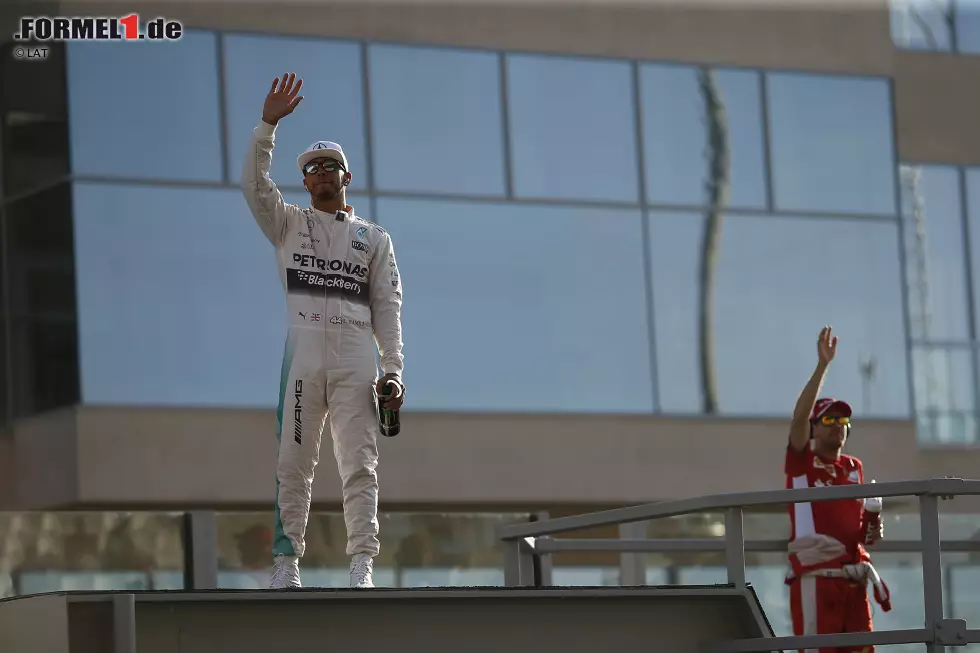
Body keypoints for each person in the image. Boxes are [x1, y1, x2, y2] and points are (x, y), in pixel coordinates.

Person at [240, 72, 406, 590]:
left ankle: (362, 564)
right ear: (305, 182)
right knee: (293, 460)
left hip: (358, 353)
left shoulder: (374, 238)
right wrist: (267, 124)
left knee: (359, 464)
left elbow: (388, 306)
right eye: (312, 169)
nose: (322, 174)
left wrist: (394, 371)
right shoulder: (287, 224)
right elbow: (252, 185)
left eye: (331, 166)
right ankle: (286, 565)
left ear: (345, 178)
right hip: (304, 350)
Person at [784, 326, 891, 653]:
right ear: (815, 428)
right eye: (829, 420)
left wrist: (873, 525)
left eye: (844, 421)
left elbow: (859, 531)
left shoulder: (853, 467)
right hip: (818, 578)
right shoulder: (801, 461)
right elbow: (800, 416)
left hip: (854, 580)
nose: (839, 426)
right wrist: (822, 366)